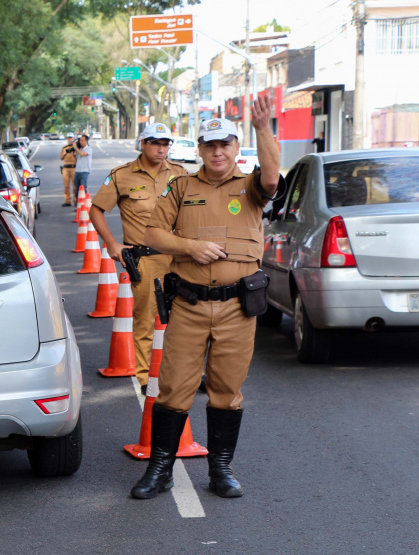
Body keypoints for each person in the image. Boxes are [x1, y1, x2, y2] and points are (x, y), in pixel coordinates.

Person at [130, 96, 282, 500]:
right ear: (199, 149)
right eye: (210, 145)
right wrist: (189, 248)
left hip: (237, 308)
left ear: (236, 148)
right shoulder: (181, 187)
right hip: (190, 306)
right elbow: (152, 235)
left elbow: (272, 177)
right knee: (173, 387)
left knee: (226, 390)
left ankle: (221, 470)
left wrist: (263, 129)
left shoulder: (250, 187)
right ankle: (160, 469)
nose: (218, 152)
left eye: (226, 144)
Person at [89, 122, 188, 394]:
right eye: (156, 143)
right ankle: (146, 377)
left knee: (185, 319)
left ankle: (182, 376)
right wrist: (112, 244)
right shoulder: (122, 176)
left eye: (166, 143)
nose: (162, 148)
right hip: (145, 259)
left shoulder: (180, 174)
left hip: (180, 259)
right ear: (142, 144)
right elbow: (96, 210)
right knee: (146, 318)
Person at [59, 133, 78, 206]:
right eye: (69, 138)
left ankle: (75, 200)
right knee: (66, 186)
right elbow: (61, 158)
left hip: (73, 168)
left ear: (73, 138)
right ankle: (67, 201)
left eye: (71, 138)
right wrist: (64, 153)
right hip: (66, 168)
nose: (70, 139)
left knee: (74, 186)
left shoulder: (75, 147)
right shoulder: (65, 147)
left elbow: (77, 157)